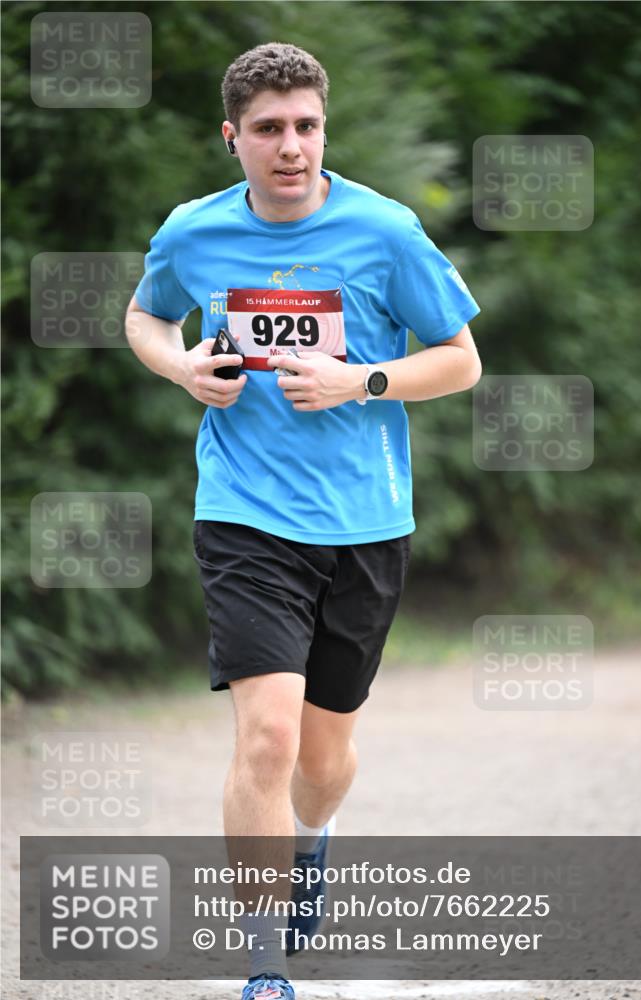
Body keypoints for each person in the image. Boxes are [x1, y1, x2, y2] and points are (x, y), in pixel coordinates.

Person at [126, 41, 481, 1000]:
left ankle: (312, 837)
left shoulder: (387, 231)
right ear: (233, 137)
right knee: (267, 740)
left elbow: (459, 360)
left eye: (307, 126)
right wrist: (180, 366)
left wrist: (360, 378)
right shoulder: (193, 235)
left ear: (324, 127)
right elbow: (145, 317)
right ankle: (264, 962)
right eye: (271, 129)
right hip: (245, 517)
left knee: (322, 759)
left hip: (364, 523)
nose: (292, 147)